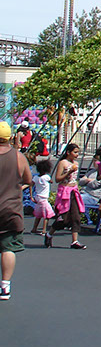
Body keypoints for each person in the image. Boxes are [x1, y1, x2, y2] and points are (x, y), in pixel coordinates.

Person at [0, 120, 34, 300]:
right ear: (9, 137)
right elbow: (28, 180)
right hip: (10, 210)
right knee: (8, 248)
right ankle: (5, 287)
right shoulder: (18, 157)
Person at [47, 142, 87, 249]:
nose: (77, 155)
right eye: (75, 152)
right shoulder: (63, 163)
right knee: (64, 219)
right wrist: (68, 172)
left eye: (78, 153)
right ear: (68, 152)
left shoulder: (76, 164)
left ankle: (75, 241)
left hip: (73, 191)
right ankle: (49, 234)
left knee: (76, 216)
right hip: (65, 192)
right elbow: (57, 179)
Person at [30, 157, 55, 236]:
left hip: (38, 197)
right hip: (44, 198)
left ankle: (34, 228)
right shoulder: (46, 177)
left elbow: (31, 185)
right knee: (46, 215)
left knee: (39, 214)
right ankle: (44, 230)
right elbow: (51, 181)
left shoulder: (36, 178)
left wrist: (31, 196)